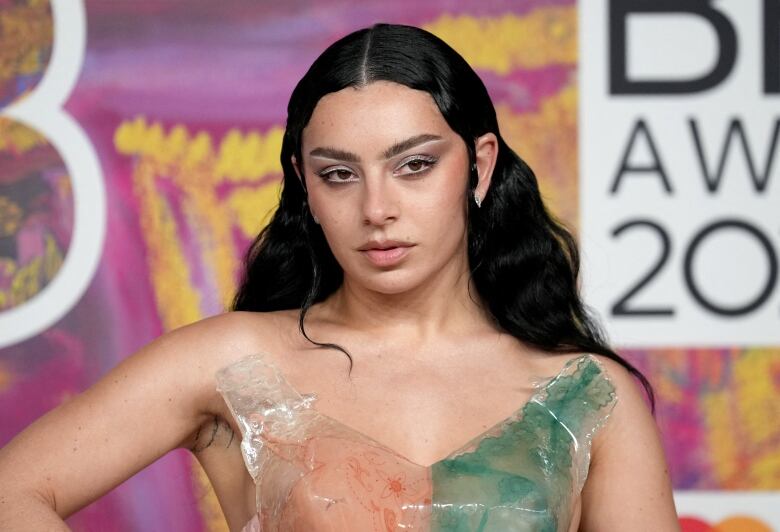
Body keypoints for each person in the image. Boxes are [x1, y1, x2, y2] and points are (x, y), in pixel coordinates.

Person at [0, 23, 679, 531]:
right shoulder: (233, 363)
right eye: (339, 174)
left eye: (414, 165)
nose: (377, 209)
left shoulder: (587, 396)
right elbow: (13, 494)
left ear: (479, 166)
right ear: (304, 184)